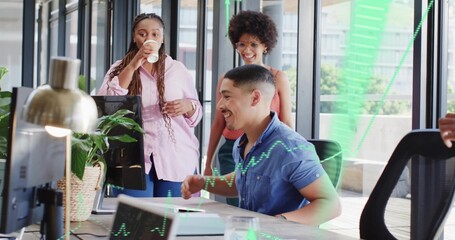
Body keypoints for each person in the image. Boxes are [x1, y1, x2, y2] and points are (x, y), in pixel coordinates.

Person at [182, 64, 341, 225]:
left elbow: (331, 205)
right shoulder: (242, 143)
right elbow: (242, 181)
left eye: (227, 96)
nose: (220, 105)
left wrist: (277, 222)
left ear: (255, 98)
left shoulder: (290, 148)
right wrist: (204, 182)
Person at [98, 13, 202, 197]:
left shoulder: (177, 69)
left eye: (155, 34)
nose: (149, 39)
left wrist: (188, 107)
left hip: (175, 156)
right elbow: (106, 106)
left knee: (174, 218)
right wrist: (132, 65)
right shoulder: (119, 68)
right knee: (134, 218)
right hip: (131, 156)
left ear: (162, 39)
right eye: (143, 34)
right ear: (134, 37)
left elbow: (196, 113)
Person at [204, 11, 293, 206]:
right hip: (230, 150)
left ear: (265, 45)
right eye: (241, 44)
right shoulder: (227, 79)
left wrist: (289, 157)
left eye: (253, 44)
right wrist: (208, 163)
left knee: (262, 204)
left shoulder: (278, 78)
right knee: (236, 207)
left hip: (266, 150)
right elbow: (219, 122)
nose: (247, 50)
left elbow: (286, 122)